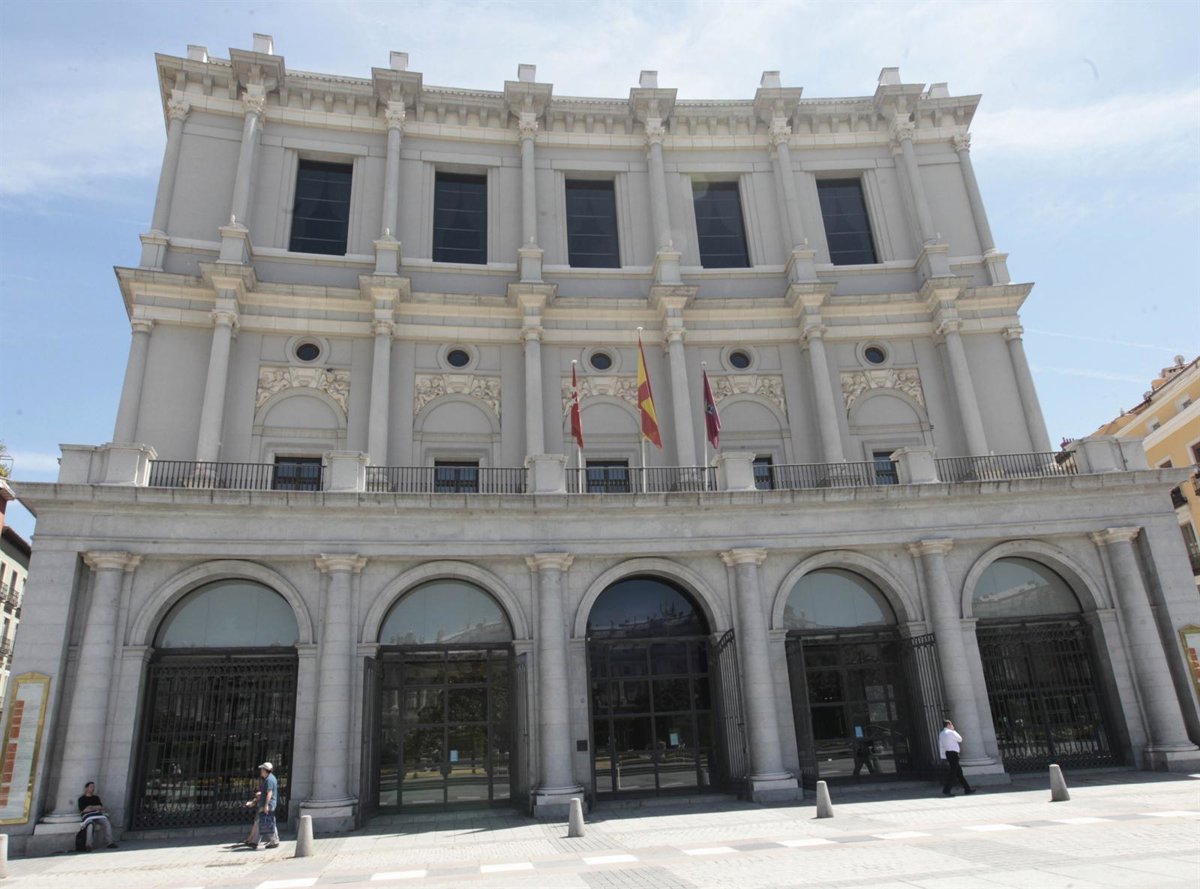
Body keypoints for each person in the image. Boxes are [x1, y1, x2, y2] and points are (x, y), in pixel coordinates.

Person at [938, 719, 976, 796]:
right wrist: (953, 730)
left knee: (959, 772)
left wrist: (943, 755)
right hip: (953, 754)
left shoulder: (941, 734)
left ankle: (967, 789)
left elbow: (941, 745)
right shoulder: (951, 732)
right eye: (951, 724)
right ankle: (946, 790)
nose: (952, 726)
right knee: (953, 772)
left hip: (948, 753)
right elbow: (960, 739)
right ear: (948, 725)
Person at [78, 781, 118, 850]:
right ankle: (88, 845)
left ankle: (109, 842)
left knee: (106, 822)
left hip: (97, 815)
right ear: (86, 788)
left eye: (94, 787)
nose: (93, 788)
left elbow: (100, 807)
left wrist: (91, 807)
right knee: (90, 825)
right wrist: (94, 808)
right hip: (87, 817)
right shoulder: (81, 799)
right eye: (91, 787)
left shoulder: (96, 798)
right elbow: (83, 810)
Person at [250, 761, 280, 849]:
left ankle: (272, 842)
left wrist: (266, 805)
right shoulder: (271, 778)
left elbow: (269, 793)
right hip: (268, 804)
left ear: (264, 770)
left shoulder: (269, 780)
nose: (261, 771)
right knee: (264, 822)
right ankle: (256, 842)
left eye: (262, 769)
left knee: (267, 822)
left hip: (268, 804)